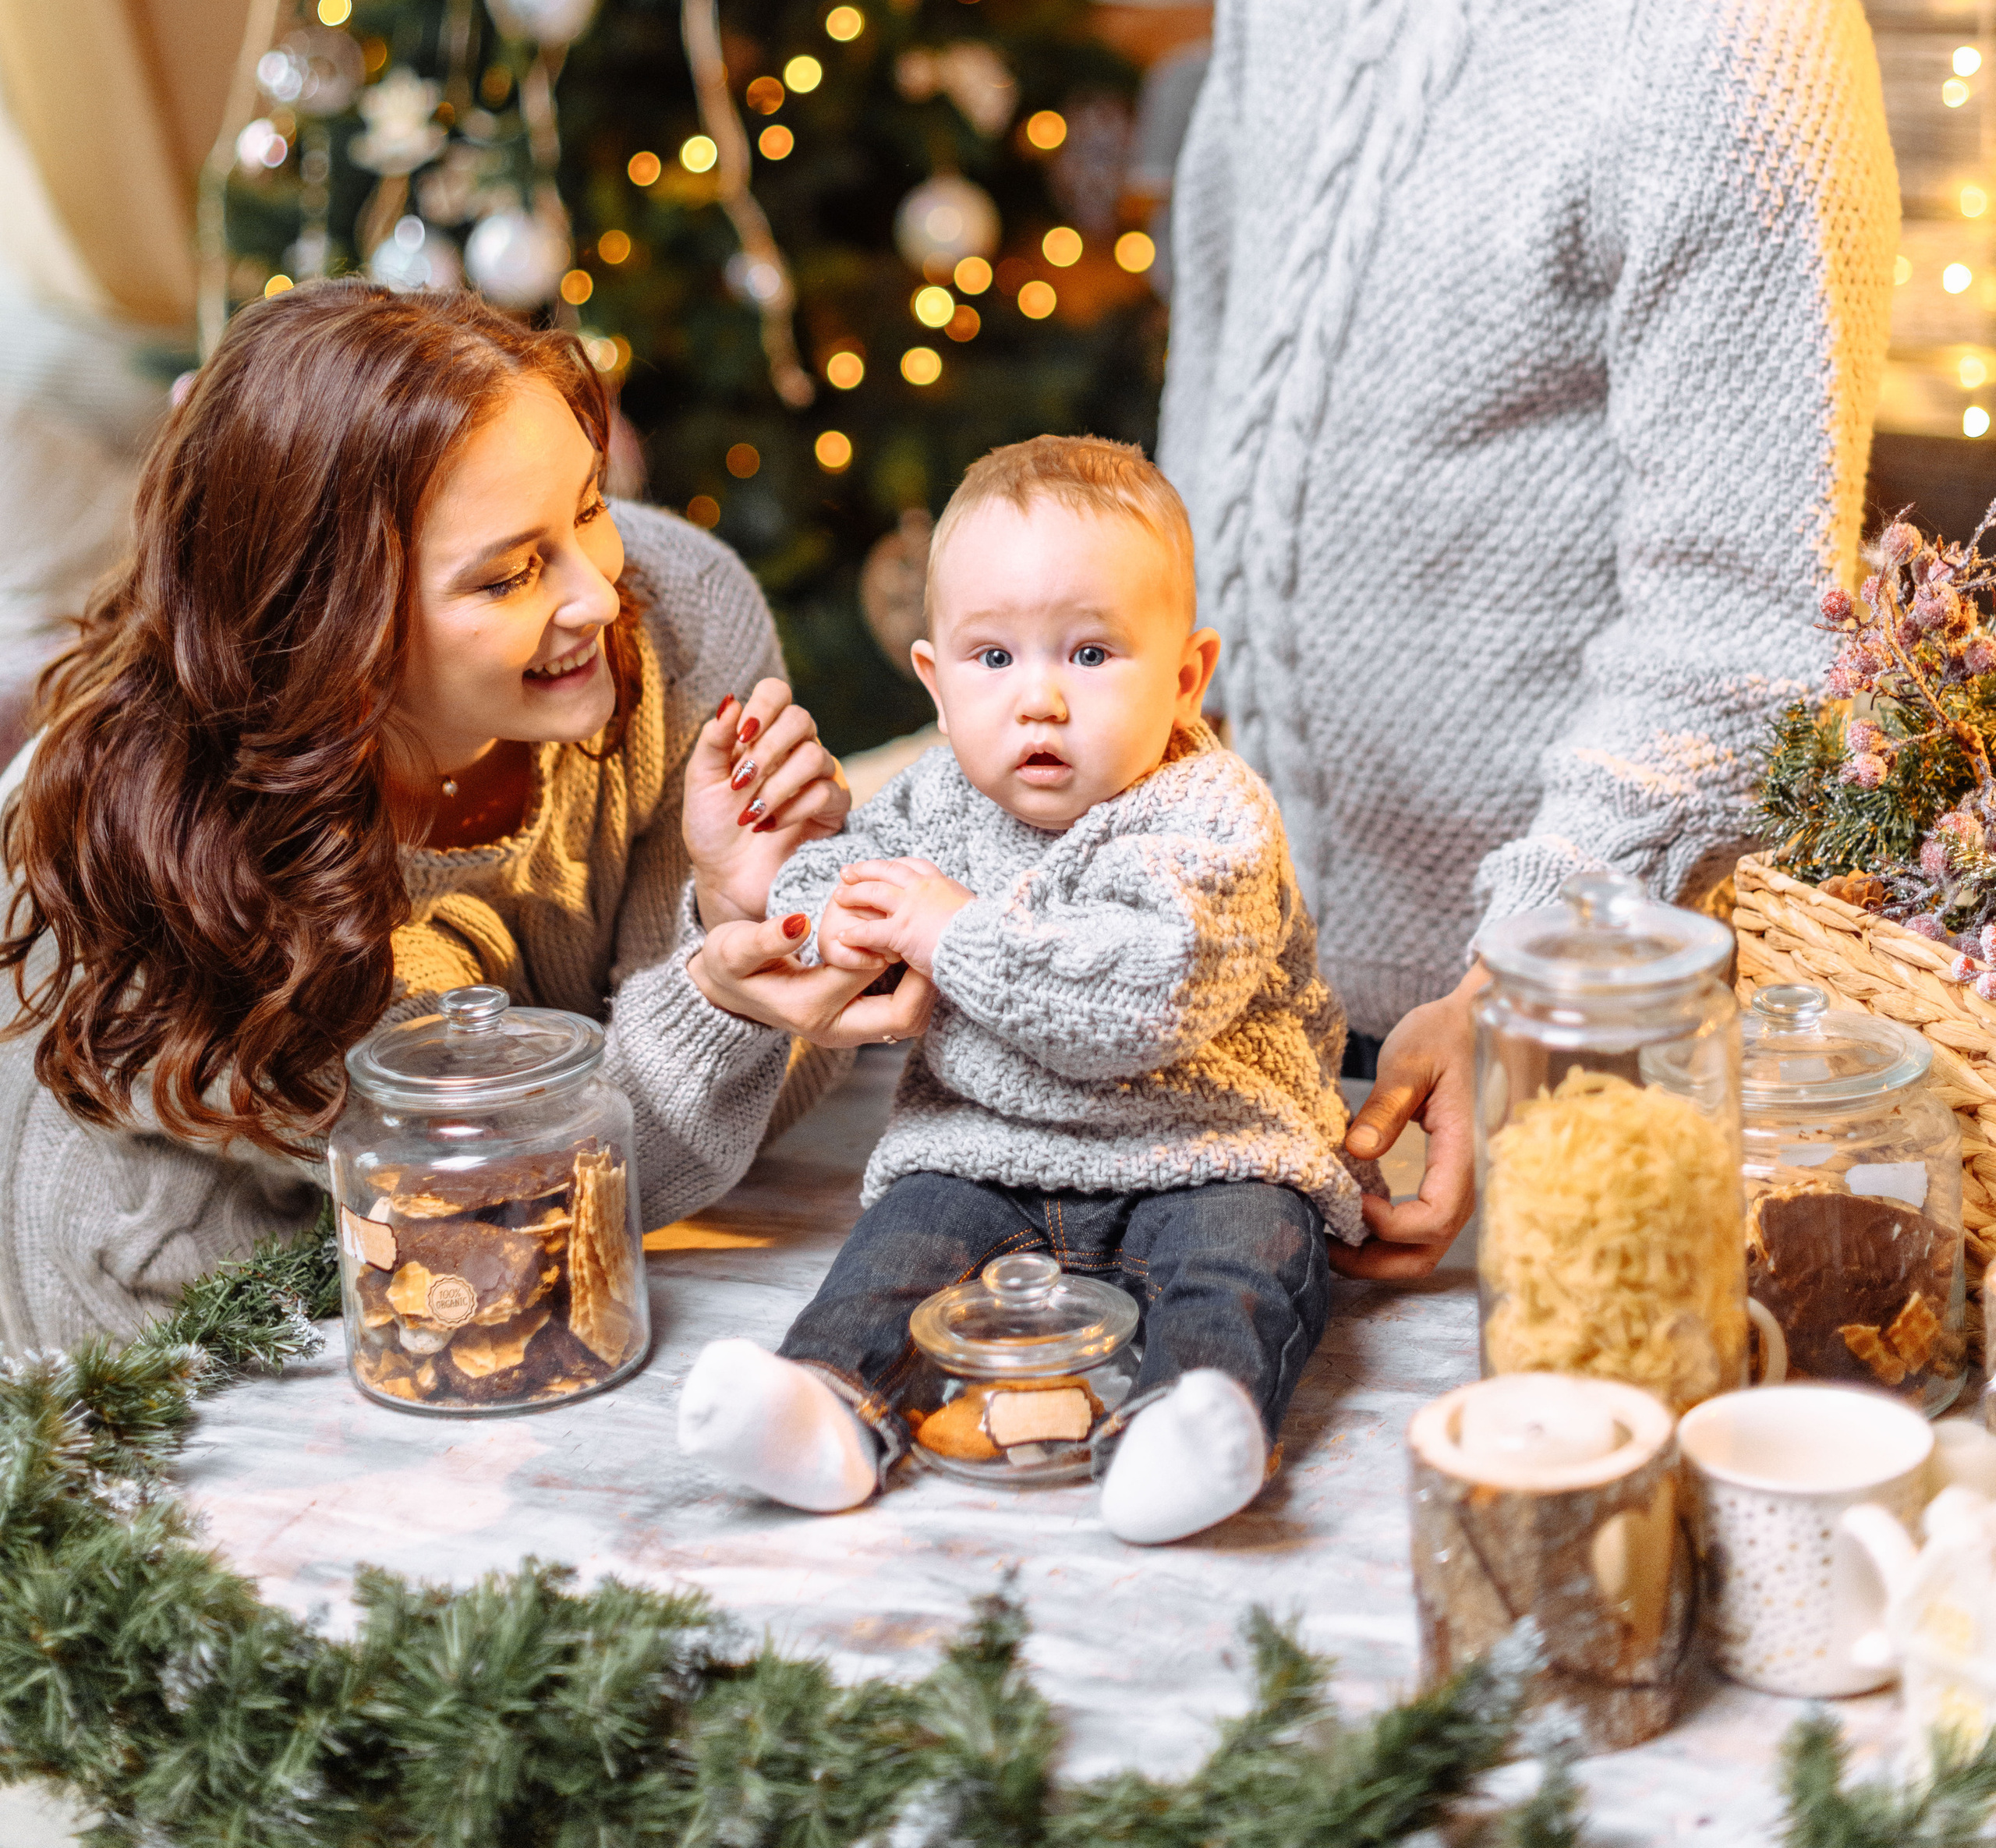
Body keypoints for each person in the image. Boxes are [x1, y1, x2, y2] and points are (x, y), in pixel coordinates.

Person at [1158, 0, 1899, 1287]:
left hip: (1516, 1017)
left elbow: (1740, 625)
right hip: (1205, 943)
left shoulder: (1736, 50)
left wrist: (1526, 974)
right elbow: (1221, 307)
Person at [0, 283, 923, 1354]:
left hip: (456, 1279)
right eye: (510, 576)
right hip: (183, 1310)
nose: (599, 594)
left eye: (588, 507)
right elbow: (522, 1199)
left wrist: (740, 923)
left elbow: (742, 1107)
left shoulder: (679, 615)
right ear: (336, 625)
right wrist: (718, 999)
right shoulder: (216, 862)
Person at [677, 435, 1369, 1547]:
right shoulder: (937, 798)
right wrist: (813, 916)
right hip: (983, 1153)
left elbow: (1140, 1003)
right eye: (992, 658)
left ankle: (1188, 1428)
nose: (1038, 700)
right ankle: (826, 1407)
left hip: (1208, 1146)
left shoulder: (1212, 816)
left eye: (1090, 654)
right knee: (897, 1252)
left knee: (1249, 1259)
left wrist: (948, 930)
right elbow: (836, 879)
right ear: (935, 679)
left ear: (1185, 676)